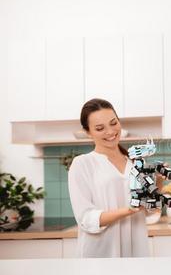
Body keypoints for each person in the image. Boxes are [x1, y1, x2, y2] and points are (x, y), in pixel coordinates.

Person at [68, 98, 163, 258]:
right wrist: (127, 210)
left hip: (136, 252)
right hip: (101, 254)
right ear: (88, 132)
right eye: (100, 128)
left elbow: (150, 211)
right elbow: (86, 219)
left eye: (113, 123)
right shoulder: (83, 164)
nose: (110, 132)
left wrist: (159, 181)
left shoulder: (136, 163)